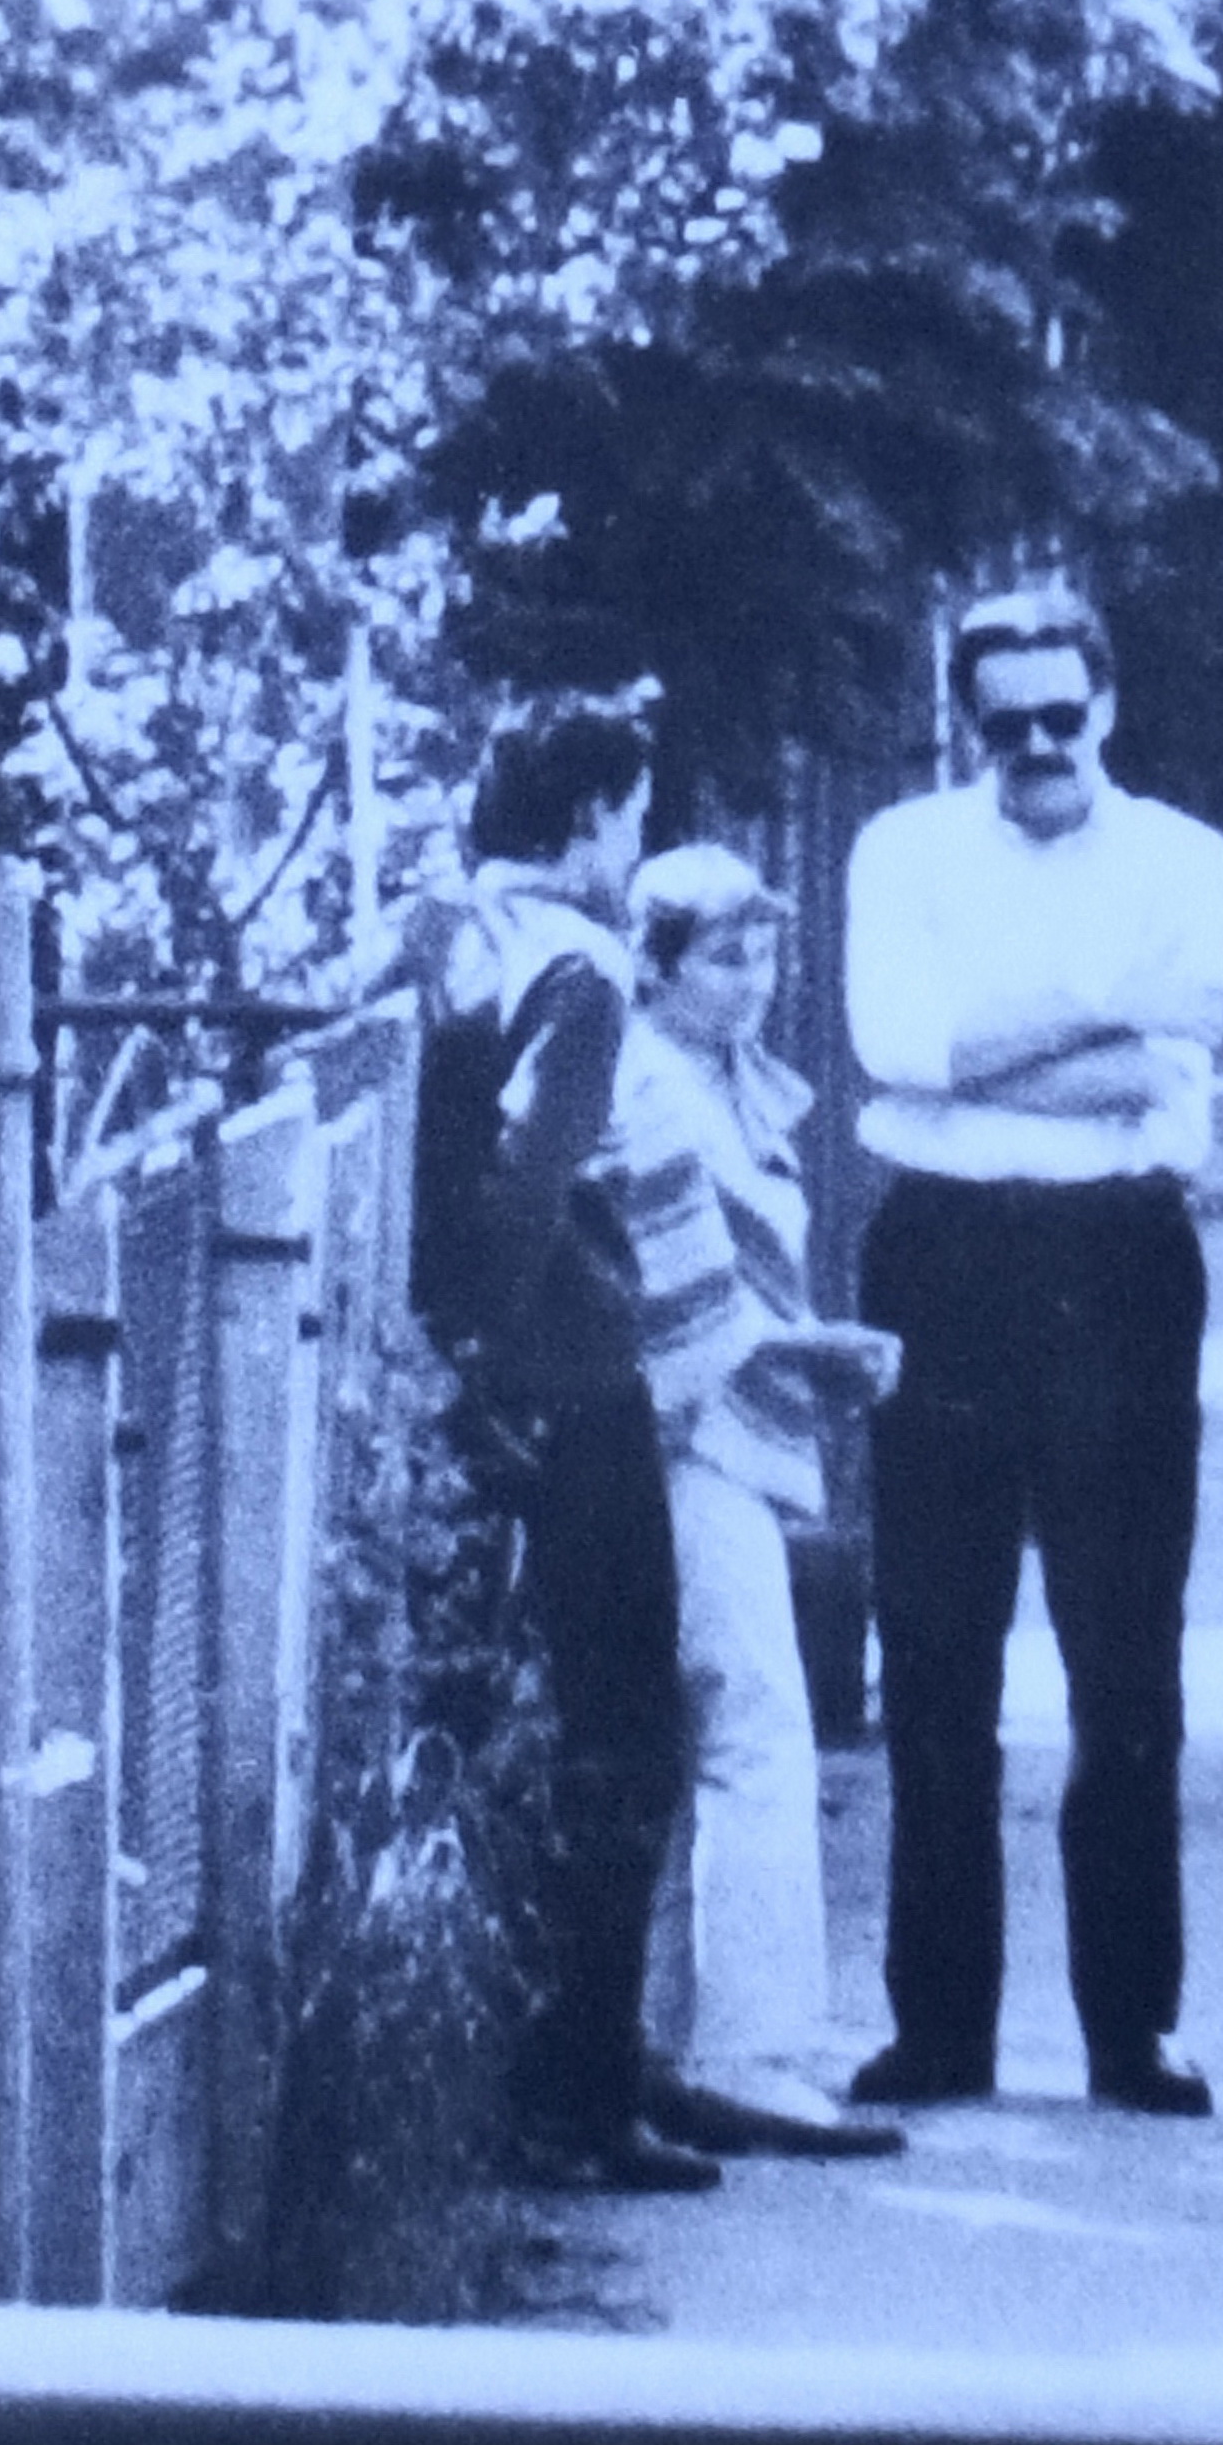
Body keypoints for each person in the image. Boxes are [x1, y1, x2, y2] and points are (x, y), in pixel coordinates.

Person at [837, 589, 1223, 2117]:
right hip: (938, 1256)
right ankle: (939, 2027)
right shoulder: (903, 851)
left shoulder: (1184, 860)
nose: (1033, 749)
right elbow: (899, 1049)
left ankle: (1129, 2026)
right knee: (935, 1657)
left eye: (1059, 718)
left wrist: (997, 1051)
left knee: (1124, 1659)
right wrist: (1092, 1021)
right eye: (1000, 724)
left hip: (1118, 1266)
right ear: (965, 723)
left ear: (1109, 707)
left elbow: (1172, 1064)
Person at [395, 703, 716, 2196]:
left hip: (451, 1381)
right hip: (567, 1382)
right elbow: (531, 1183)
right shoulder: (578, 972)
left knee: (476, 1714)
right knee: (626, 1730)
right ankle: (585, 2094)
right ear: (589, 815)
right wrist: (486, 1354)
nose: (634, 848)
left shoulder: (431, 928)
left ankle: (534, 2069)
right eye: (632, 817)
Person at [612, 842, 904, 2163]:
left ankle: (677, 2037)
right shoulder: (654, 1085)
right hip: (685, 1448)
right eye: (725, 956)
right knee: (757, 1728)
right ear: (656, 963)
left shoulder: (727, 1085)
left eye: (766, 951)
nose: (756, 980)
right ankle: (752, 2054)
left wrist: (808, 1343)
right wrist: (801, 1355)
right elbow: (681, 1309)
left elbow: (737, 1291)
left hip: (718, 1435)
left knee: (715, 1730)